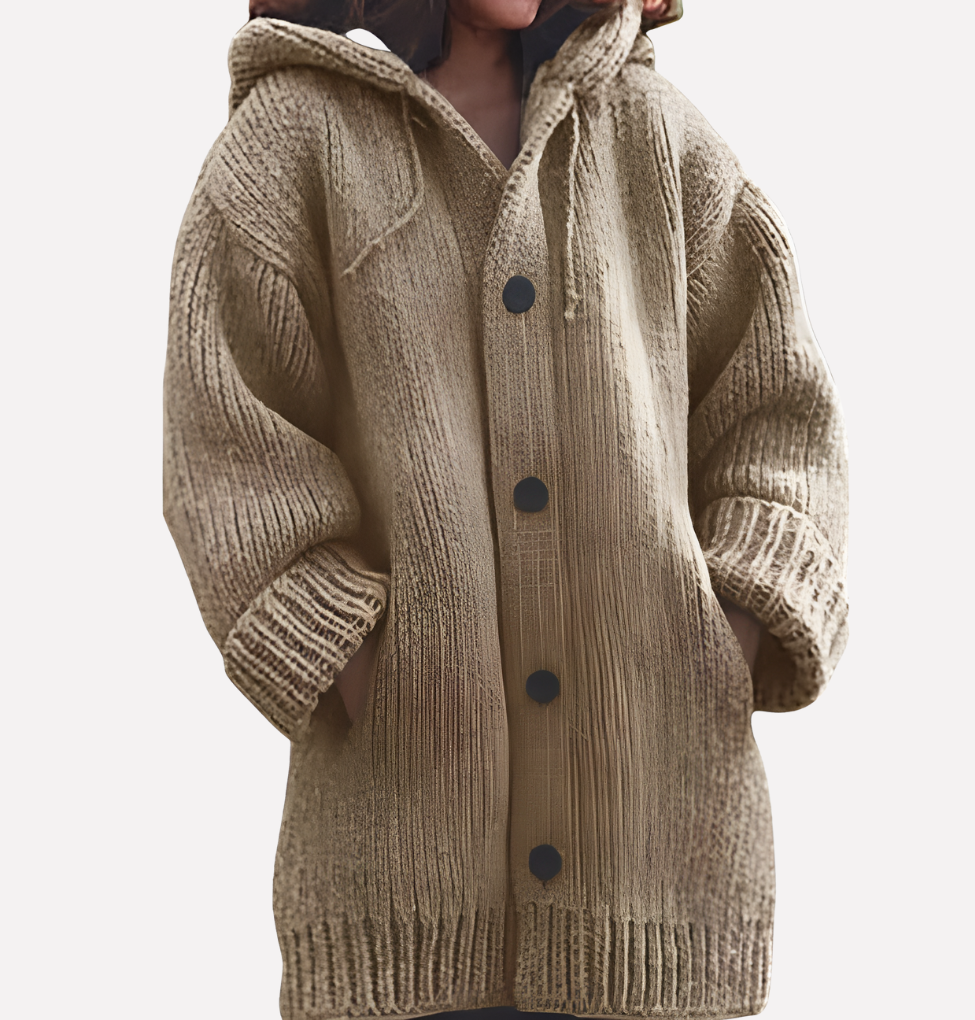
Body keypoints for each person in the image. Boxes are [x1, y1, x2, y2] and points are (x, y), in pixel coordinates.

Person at [163, 1, 849, 1017]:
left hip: (655, 866)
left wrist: (728, 635)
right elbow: (227, 437)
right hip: (404, 878)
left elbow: (777, 416)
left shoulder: (662, 140)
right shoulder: (291, 145)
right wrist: (360, 666)